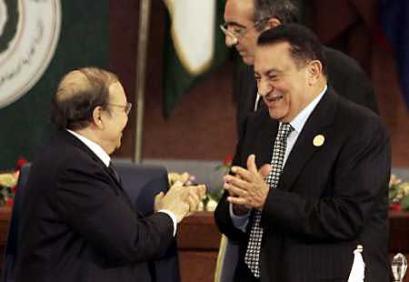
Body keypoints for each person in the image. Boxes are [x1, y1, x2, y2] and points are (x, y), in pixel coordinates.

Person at [214, 24, 390, 282]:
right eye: (258, 78)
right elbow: (227, 218)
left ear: (312, 72)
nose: (263, 90)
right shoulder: (258, 124)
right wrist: (239, 209)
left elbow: (346, 218)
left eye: (273, 76)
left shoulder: (360, 129)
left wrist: (267, 199)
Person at [15, 67, 206, 282]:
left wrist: (158, 213)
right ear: (98, 116)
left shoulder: (68, 155)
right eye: (124, 108)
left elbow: (104, 228)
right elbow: (132, 243)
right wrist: (171, 213)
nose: (126, 117)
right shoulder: (75, 167)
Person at [220, 0, 379, 136]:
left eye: (238, 31)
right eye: (227, 29)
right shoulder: (247, 74)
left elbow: (365, 154)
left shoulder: (342, 74)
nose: (229, 41)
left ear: (271, 27)